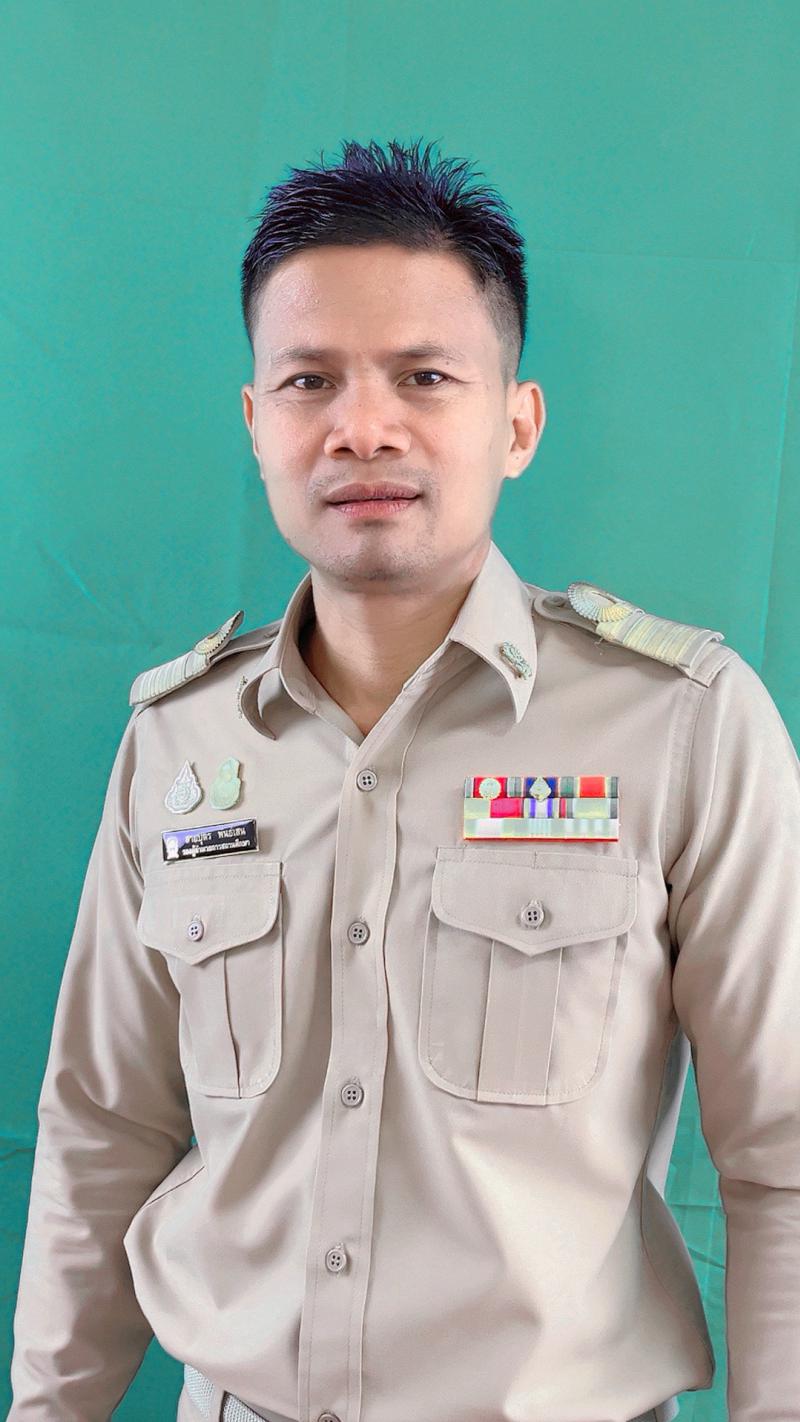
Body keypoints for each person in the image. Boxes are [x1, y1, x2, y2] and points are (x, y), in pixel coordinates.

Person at [8, 136, 800, 1422]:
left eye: (423, 377)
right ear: (256, 423)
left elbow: (783, 1158)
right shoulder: (179, 743)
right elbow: (102, 1128)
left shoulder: (681, 726)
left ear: (516, 422)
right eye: (309, 381)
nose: (361, 427)